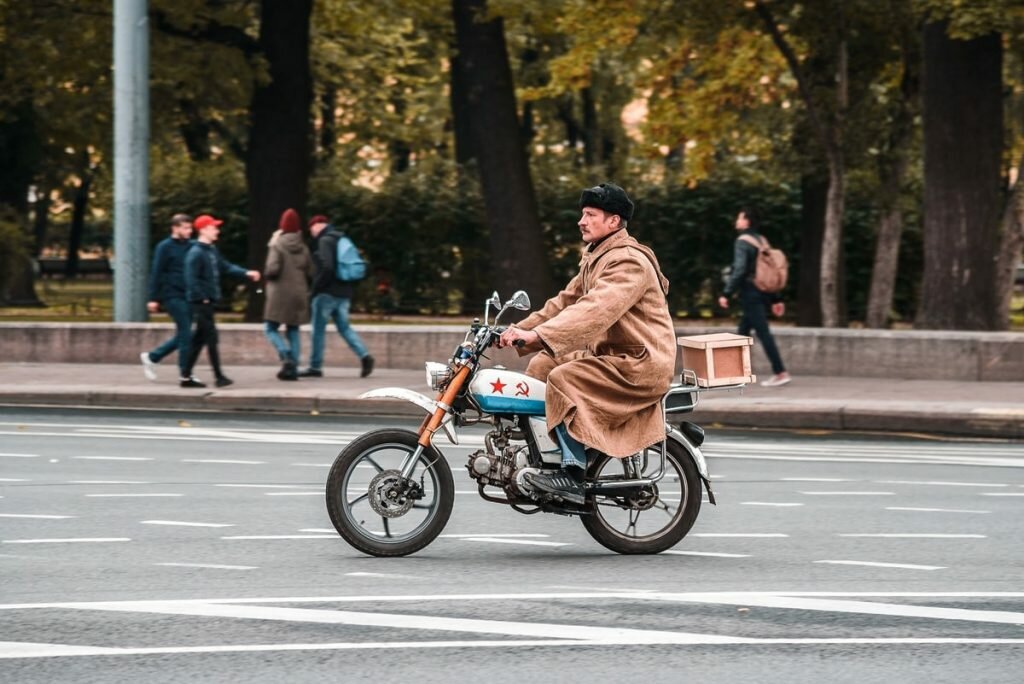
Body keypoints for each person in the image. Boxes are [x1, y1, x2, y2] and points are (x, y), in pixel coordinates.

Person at [497, 183, 676, 504]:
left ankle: (573, 471)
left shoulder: (628, 262)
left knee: (563, 378)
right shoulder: (597, 257)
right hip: (615, 356)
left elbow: (595, 309)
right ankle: (546, 453)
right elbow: (564, 304)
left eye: (591, 215)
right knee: (542, 365)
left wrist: (539, 337)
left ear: (614, 221)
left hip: (638, 364)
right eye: (582, 214)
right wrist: (515, 330)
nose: (581, 221)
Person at [180, 214, 261, 388]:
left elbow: (226, 266)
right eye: (213, 227)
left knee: (199, 339)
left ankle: (186, 376)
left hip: (207, 301)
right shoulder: (196, 253)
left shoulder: (211, 250)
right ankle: (219, 377)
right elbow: (190, 280)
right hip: (202, 303)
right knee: (211, 338)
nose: (217, 230)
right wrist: (203, 299)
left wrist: (246, 273)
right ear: (203, 230)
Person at [717, 207, 790, 387]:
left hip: (751, 292)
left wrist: (726, 293)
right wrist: (776, 298)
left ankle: (780, 372)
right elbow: (769, 270)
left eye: (739, 218)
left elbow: (740, 269)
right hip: (763, 291)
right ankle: (736, 373)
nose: (737, 220)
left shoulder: (742, 241)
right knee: (743, 331)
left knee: (763, 332)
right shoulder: (761, 240)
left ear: (746, 221)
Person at [299, 215, 374, 378]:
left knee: (318, 331)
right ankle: (365, 356)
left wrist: (315, 289)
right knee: (344, 328)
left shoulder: (325, 240)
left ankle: (315, 367)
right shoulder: (342, 238)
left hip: (326, 293)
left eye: (311, 227)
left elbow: (327, 267)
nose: (311, 231)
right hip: (344, 292)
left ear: (318, 225)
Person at [140, 214, 194, 383]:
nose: (189, 231)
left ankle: (152, 357)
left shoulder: (192, 246)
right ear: (175, 228)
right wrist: (153, 298)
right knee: (186, 333)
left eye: (190, 228)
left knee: (183, 335)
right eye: (185, 228)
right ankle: (185, 374)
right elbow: (157, 273)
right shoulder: (164, 247)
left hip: (189, 295)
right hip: (172, 295)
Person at [263, 208, 312, 381]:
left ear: (282, 225)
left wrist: (266, 274)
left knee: (269, 328)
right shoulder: (303, 246)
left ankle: (286, 356)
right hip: (299, 293)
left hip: (279, 294)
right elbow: (310, 270)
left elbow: (273, 269)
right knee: (293, 329)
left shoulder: (277, 243)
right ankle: (293, 368)